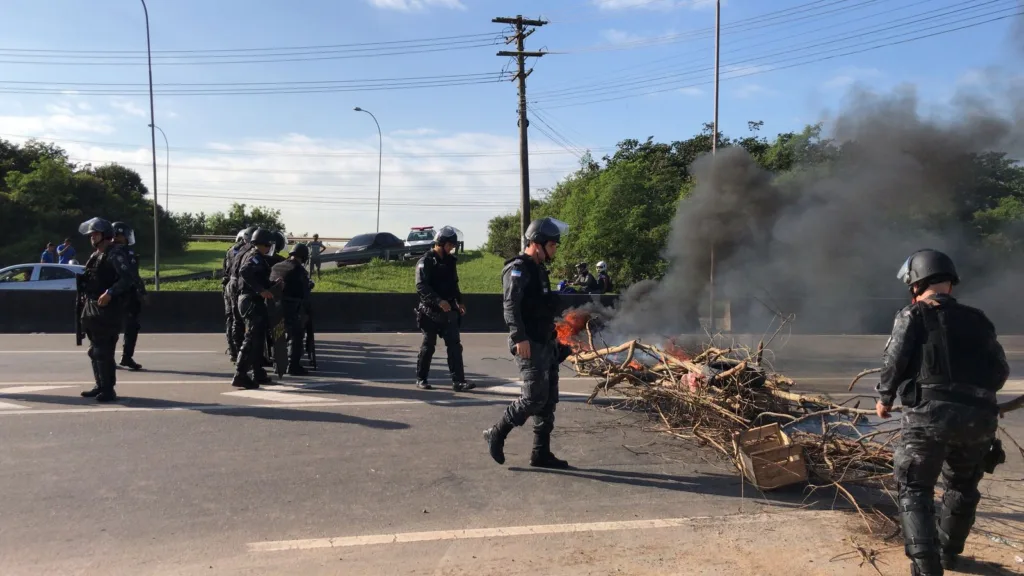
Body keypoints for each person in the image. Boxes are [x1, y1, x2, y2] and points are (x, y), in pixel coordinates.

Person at [876, 249, 1010, 576]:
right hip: (979, 420)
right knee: (962, 485)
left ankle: (926, 569)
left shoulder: (913, 315)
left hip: (928, 419)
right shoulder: (979, 319)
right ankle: (949, 554)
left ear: (916, 283)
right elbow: (1000, 371)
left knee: (915, 486)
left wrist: (885, 397)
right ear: (950, 281)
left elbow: (895, 362)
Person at [484, 217, 574, 469]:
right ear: (537, 243)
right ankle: (496, 433)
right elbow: (510, 305)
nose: (555, 249)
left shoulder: (538, 270)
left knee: (548, 401)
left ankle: (540, 453)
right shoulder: (518, 268)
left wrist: (558, 341)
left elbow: (542, 306)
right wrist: (518, 337)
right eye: (552, 245)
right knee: (534, 398)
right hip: (529, 343)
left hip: (545, 342)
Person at [76, 217, 137, 402]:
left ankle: (108, 390)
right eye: (91, 234)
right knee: (94, 350)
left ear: (105, 235)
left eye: (95, 234)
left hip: (108, 308)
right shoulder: (95, 255)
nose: (92, 237)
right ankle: (100, 385)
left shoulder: (115, 253)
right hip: (92, 307)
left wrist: (110, 292)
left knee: (103, 350)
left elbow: (127, 278)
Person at [414, 225, 474, 392]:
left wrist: (459, 302)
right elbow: (421, 286)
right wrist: (438, 301)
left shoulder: (450, 261)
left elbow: (454, 284)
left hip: (448, 312)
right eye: (450, 245)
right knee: (428, 345)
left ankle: (459, 381)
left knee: (455, 346)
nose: (452, 248)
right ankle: (421, 378)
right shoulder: (425, 261)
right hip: (429, 311)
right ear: (440, 243)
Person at [232, 228, 279, 389]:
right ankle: (240, 374)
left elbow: (258, 278)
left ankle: (258, 372)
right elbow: (245, 272)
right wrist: (261, 290)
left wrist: (272, 285)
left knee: (258, 339)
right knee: (251, 339)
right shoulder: (255, 256)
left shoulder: (254, 256)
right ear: (264, 244)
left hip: (252, 300)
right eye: (268, 245)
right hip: (250, 300)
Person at [270, 243, 313, 376]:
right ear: (304, 257)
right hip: (291, 307)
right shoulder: (299, 270)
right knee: (296, 335)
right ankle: (293, 366)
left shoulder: (277, 266)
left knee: (278, 336)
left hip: (274, 306)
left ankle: (278, 365)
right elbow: (304, 293)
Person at [112, 222, 146, 371]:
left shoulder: (128, 252)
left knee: (132, 327)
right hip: (116, 294)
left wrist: (142, 291)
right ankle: (108, 357)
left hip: (131, 295)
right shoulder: (113, 252)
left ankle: (127, 357)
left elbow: (134, 274)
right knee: (111, 328)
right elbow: (126, 275)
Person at [223, 226, 255, 363]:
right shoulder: (248, 251)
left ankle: (234, 351)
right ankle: (239, 352)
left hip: (230, 285)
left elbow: (225, 270)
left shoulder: (233, 249)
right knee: (238, 320)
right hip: (238, 286)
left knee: (233, 319)